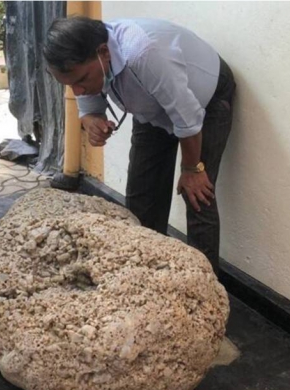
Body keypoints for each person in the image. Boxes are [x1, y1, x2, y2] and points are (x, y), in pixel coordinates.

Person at [43, 16, 236, 274]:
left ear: (104, 52)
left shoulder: (145, 54)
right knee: (141, 197)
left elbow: (188, 119)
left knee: (198, 194)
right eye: (70, 85)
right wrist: (92, 121)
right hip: (153, 107)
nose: (77, 91)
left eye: (81, 80)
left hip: (205, 102)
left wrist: (192, 169)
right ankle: (145, 276)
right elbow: (89, 108)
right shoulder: (89, 59)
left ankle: (204, 285)